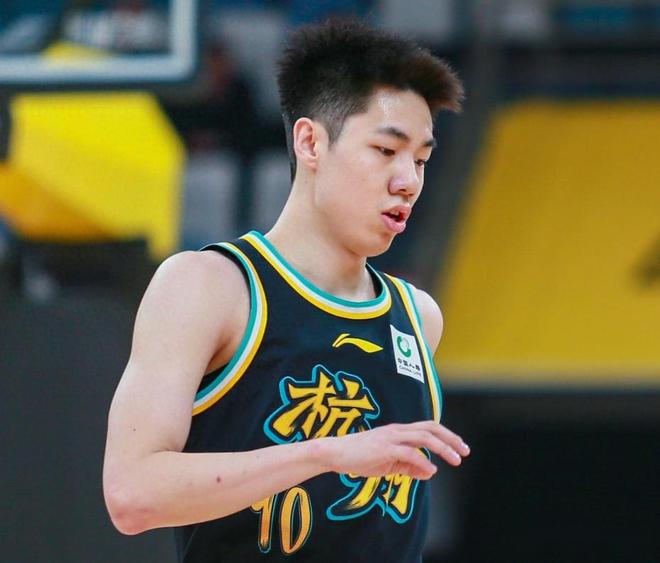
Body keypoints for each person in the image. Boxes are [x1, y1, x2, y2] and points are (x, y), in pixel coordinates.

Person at [103, 18, 470, 562]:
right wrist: (325, 454)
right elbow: (132, 495)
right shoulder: (211, 286)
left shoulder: (418, 317)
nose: (408, 181)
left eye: (420, 160)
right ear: (310, 142)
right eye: (385, 151)